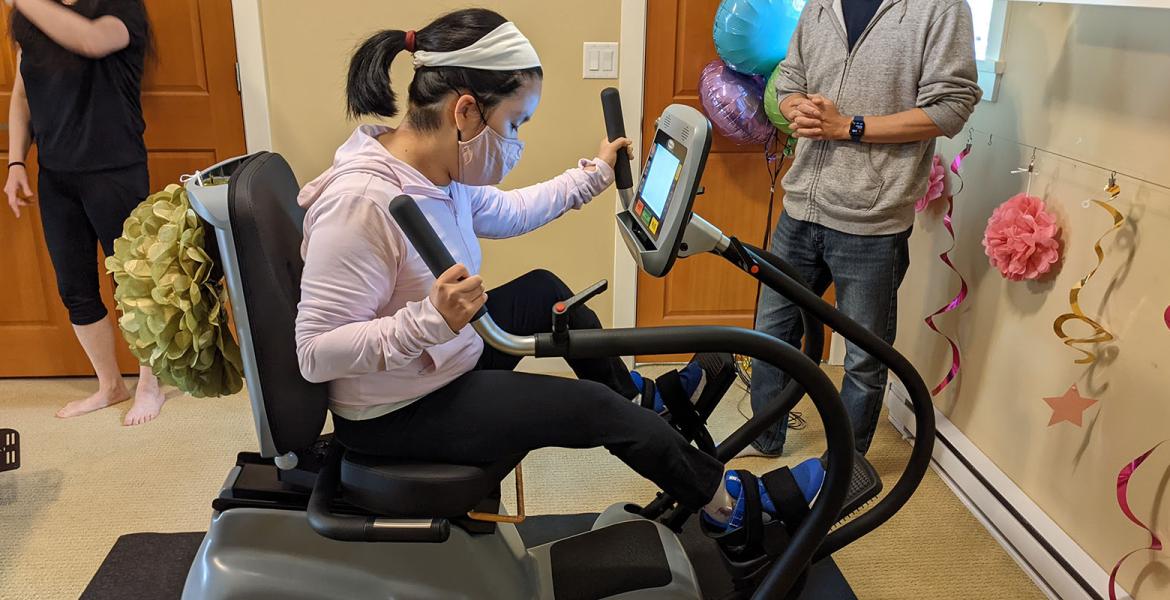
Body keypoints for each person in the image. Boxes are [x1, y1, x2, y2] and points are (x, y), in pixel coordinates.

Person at [296, 9, 832, 534]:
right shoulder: (361, 202)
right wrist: (430, 321)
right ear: (465, 112)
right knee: (593, 410)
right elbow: (315, 352)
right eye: (514, 123)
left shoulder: (433, 173)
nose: (515, 142)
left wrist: (594, 176)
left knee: (545, 293)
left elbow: (509, 211)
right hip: (397, 412)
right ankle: (727, 506)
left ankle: (643, 403)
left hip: (438, 360)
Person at [746, 0, 982, 457]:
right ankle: (762, 440)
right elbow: (790, 80)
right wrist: (796, 106)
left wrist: (848, 126)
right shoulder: (820, 5)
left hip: (872, 222)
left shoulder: (941, 8)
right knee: (771, 335)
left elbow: (951, 107)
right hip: (800, 209)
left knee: (862, 358)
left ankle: (844, 471)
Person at [4, 0, 166, 425]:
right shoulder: (30, 18)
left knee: (136, 284)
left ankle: (151, 384)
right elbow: (21, 95)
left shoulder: (121, 8)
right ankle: (110, 385)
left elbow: (92, 41)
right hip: (56, 176)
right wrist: (16, 162)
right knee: (74, 287)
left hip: (115, 170)